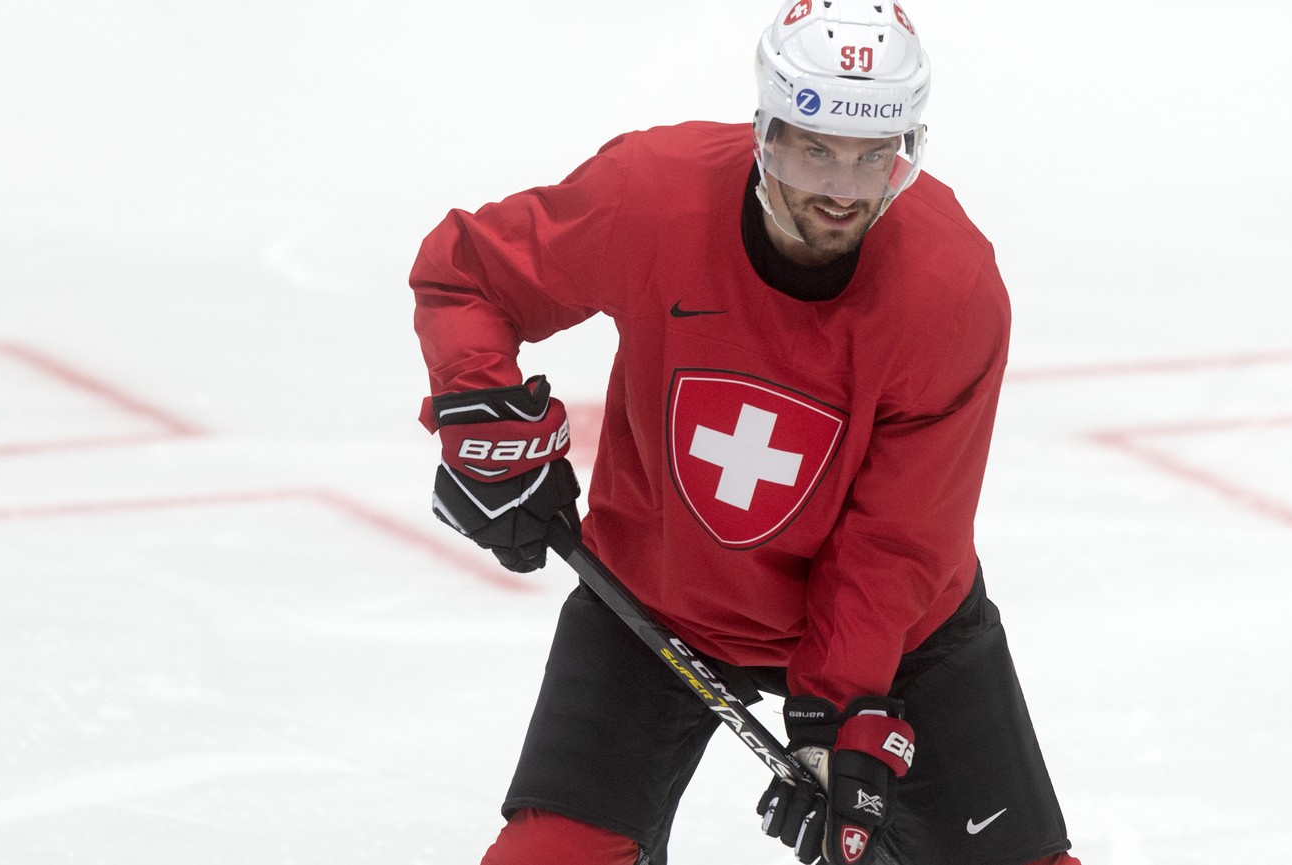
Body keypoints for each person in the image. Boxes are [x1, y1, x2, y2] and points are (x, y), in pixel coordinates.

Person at [410, 1, 1083, 863]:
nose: (844, 190)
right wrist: (483, 419)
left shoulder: (950, 287)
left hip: (899, 632)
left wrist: (835, 710)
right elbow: (468, 273)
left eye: (873, 156)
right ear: (766, 129)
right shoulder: (651, 197)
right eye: (816, 149)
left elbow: (899, 538)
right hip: (660, 599)